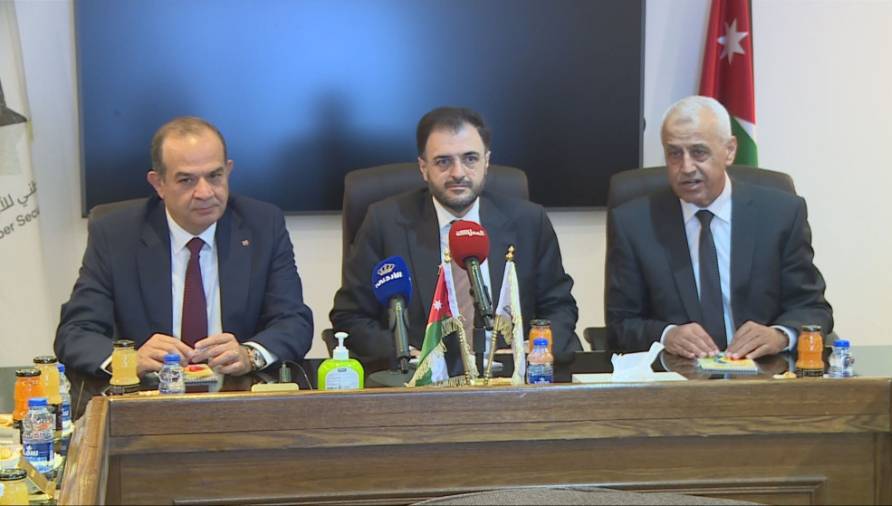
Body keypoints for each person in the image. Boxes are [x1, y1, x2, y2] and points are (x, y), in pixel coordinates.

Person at [330, 106, 580, 376]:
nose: (458, 173)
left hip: (510, 378)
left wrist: (538, 346)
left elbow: (559, 306)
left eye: (470, 158)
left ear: (486, 161)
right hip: (420, 381)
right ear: (423, 168)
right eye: (443, 162)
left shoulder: (529, 221)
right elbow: (350, 316)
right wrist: (400, 353)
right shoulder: (385, 223)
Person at [55, 117, 314, 377]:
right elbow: (75, 332)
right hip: (151, 392)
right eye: (187, 180)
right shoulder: (116, 234)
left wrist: (250, 355)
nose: (205, 193)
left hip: (237, 389)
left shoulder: (263, 225)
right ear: (159, 184)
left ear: (228, 171)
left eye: (214, 176)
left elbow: (293, 321)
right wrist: (128, 361)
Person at [606, 96, 833, 360]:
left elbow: (812, 308)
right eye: (674, 154)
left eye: (699, 152)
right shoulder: (635, 223)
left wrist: (780, 335)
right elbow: (620, 324)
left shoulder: (780, 214)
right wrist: (667, 335)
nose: (686, 167)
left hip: (761, 373)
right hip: (678, 375)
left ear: (729, 150)